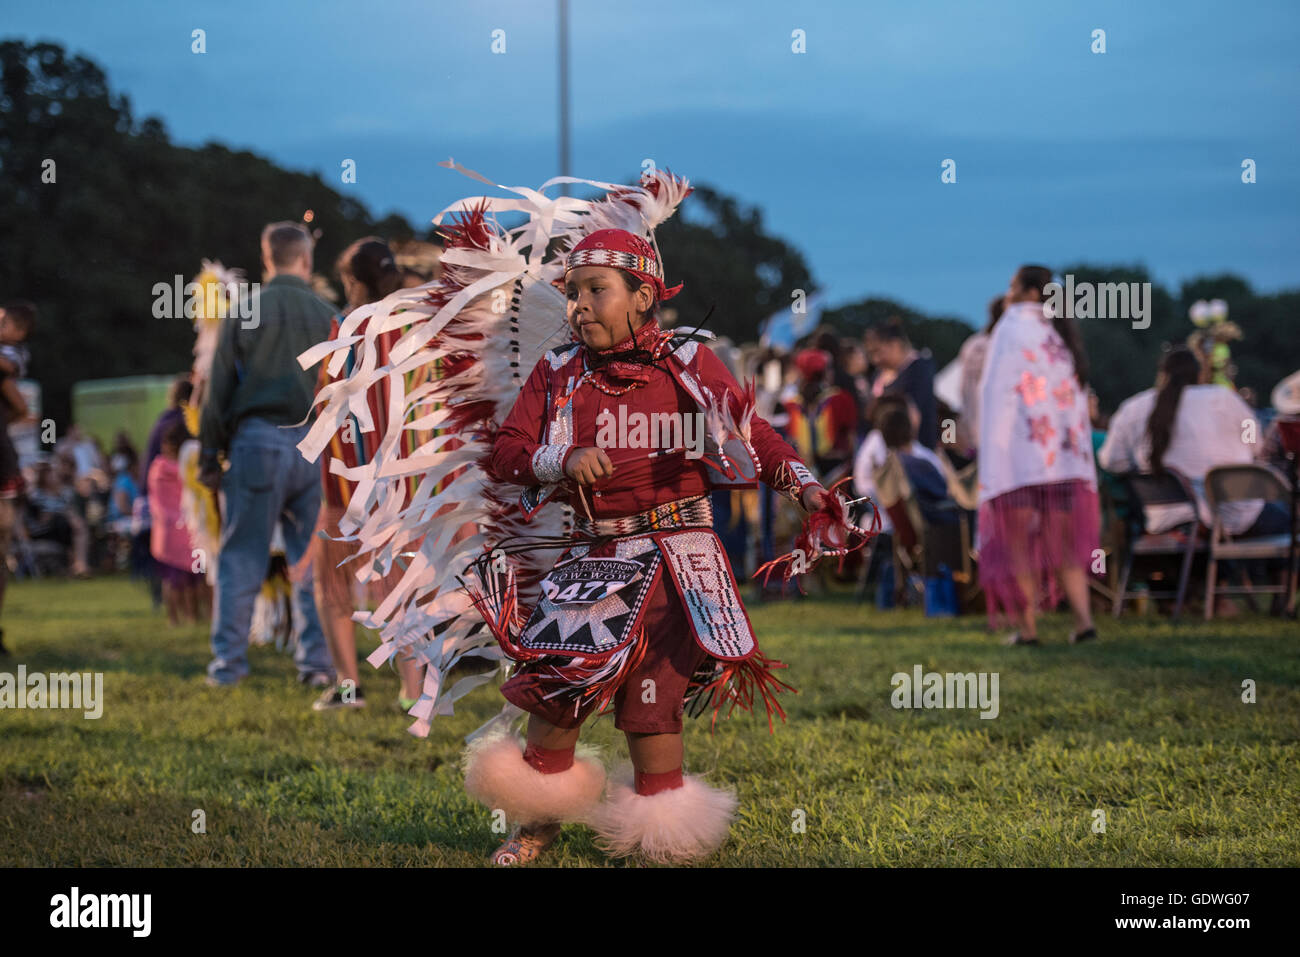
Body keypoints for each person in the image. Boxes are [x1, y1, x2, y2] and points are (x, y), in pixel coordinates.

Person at [472, 226, 834, 866]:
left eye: (596, 290)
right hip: (595, 558)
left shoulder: (688, 360)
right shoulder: (559, 371)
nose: (578, 306)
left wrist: (806, 490)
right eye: (573, 293)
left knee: (653, 702)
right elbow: (505, 452)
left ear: (643, 296)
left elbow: (750, 433)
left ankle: (662, 833)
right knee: (558, 687)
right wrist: (561, 456)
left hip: (676, 557)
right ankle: (539, 820)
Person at [198, 222, 335, 687]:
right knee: (311, 560)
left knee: (241, 557)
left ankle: (227, 668)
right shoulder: (328, 313)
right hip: (316, 445)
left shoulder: (244, 311)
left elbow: (217, 392)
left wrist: (208, 456)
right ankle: (318, 665)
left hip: (255, 441)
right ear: (306, 259)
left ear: (266, 257)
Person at [310, 237, 419, 712]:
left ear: (353, 282)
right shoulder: (415, 328)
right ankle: (413, 692)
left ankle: (349, 688)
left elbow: (328, 406)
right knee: (400, 589)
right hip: (404, 483)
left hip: (348, 482)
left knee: (333, 586)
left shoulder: (346, 329)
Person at [977, 265, 1099, 645]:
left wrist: (993, 453)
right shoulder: (1059, 334)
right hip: (1061, 462)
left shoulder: (1012, 326)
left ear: (1030, 291)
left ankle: (1028, 629)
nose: (1008, 293)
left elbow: (996, 393)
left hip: (1020, 462)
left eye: (1013, 286)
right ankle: (1084, 623)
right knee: (1064, 547)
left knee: (1018, 548)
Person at [1097, 347, 1286, 538]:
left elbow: (1111, 461)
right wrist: (1245, 444)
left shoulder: (1132, 409)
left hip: (1163, 519)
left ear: (1162, 375)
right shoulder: (1224, 398)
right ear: (1199, 374)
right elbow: (1254, 438)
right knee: (1286, 520)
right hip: (1231, 517)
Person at [148, 421, 208, 624]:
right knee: (195, 578)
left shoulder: (156, 469)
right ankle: (194, 616)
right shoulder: (188, 467)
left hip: (166, 532)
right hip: (188, 529)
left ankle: (175, 618)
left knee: (173, 580)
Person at [867, 317, 938, 449]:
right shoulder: (878, 375)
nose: (875, 360)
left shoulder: (919, 368)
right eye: (871, 354)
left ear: (895, 345)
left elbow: (916, 413)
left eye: (878, 351)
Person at [955, 295, 1005, 454]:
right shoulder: (1000, 346)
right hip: (998, 429)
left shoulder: (972, 344)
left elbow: (962, 388)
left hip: (973, 426)